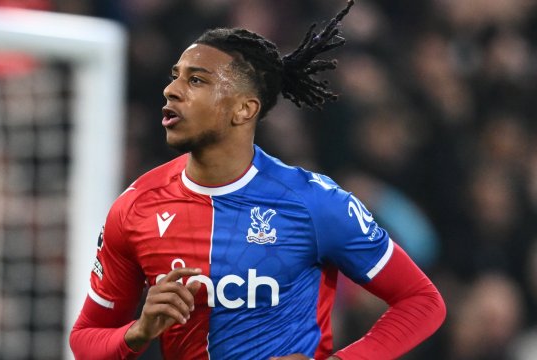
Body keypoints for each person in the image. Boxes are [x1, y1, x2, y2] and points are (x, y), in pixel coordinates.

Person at [69, 1, 446, 359]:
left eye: (196, 80)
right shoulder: (136, 206)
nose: (172, 90)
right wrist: (137, 332)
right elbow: (86, 340)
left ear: (244, 109)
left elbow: (421, 302)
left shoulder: (314, 203)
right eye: (175, 77)